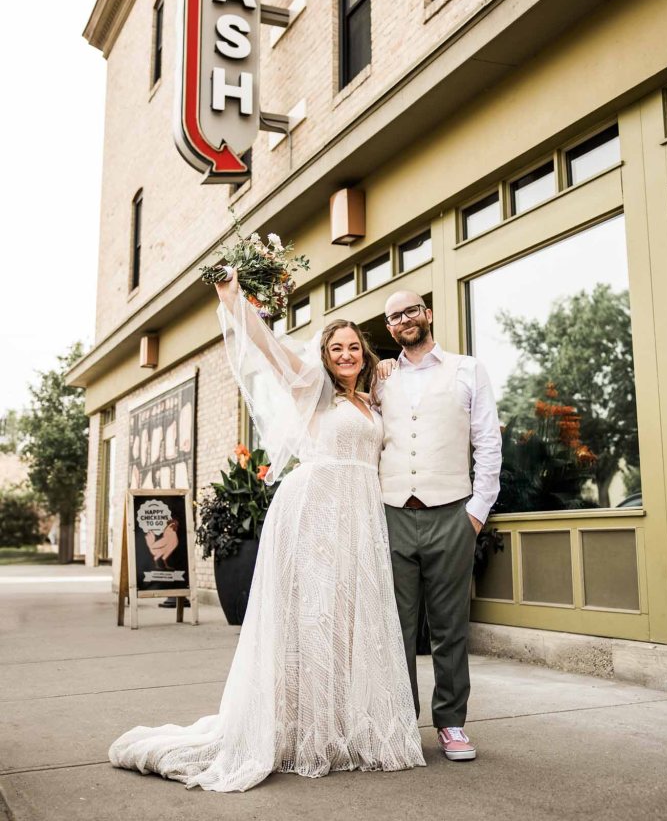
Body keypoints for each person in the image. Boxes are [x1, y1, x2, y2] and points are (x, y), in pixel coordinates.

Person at [109, 270, 425, 792]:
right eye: (336, 347)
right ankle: (300, 728)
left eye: (353, 347)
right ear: (325, 355)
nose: (345, 354)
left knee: (348, 618)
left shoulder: (371, 399)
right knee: (310, 618)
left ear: (364, 355)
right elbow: (265, 344)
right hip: (313, 512)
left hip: (358, 519)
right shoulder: (311, 386)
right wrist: (233, 298)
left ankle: (344, 725)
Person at [376, 290, 501, 763]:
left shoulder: (469, 369)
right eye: (394, 316)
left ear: (427, 315)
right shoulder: (380, 378)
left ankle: (451, 723)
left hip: (452, 511)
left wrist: (476, 512)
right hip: (391, 513)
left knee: (450, 628)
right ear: (389, 329)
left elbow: (488, 443)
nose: (404, 319)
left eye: (411, 310)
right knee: (397, 629)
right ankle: (402, 724)